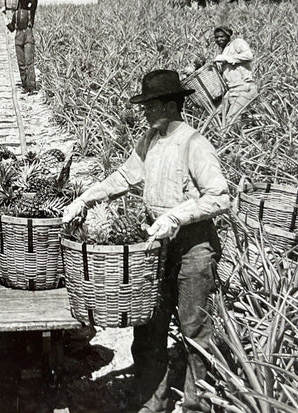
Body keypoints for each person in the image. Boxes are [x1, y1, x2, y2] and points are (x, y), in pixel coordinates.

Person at [63, 70, 230, 413]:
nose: (145, 112)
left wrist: (176, 215)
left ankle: (197, 405)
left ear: (171, 105)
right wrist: (86, 198)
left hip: (193, 246)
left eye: (150, 105)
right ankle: (152, 402)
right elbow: (125, 175)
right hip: (157, 245)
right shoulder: (151, 140)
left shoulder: (193, 143)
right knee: (149, 325)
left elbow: (220, 197)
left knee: (193, 327)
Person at [213, 25, 257, 125]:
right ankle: (252, 122)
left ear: (228, 36)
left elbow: (249, 55)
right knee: (217, 116)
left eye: (222, 36)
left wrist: (226, 58)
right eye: (216, 37)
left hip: (244, 87)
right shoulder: (223, 51)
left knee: (231, 120)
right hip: (232, 90)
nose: (219, 39)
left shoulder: (237, 43)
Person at [4, 0, 38, 95]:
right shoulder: (17, 14)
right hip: (19, 39)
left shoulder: (29, 13)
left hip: (27, 40)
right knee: (22, 63)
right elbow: (12, 28)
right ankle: (26, 86)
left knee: (28, 63)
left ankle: (31, 87)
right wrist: (5, 18)